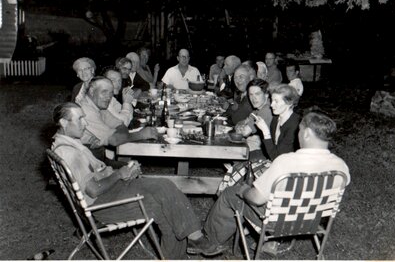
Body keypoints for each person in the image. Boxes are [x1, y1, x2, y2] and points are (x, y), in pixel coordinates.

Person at [51, 102, 221, 259]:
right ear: (64, 123)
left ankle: (192, 240)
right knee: (163, 204)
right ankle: (194, 239)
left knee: (164, 189)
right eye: (79, 119)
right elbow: (93, 190)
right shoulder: (69, 153)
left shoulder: (65, 143)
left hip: (109, 194)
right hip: (101, 206)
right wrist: (119, 175)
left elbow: (94, 175)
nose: (85, 124)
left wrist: (122, 171)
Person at [192, 110, 351, 256]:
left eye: (300, 131)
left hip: (277, 223)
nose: (298, 135)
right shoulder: (341, 166)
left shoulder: (286, 162)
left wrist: (243, 191)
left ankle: (210, 240)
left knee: (230, 193)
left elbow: (256, 199)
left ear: (308, 133)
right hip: (312, 222)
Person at [255, 84, 301, 160]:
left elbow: (277, 157)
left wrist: (265, 131)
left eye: (276, 101)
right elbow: (271, 148)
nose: (272, 105)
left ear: (289, 103)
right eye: (272, 100)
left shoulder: (295, 125)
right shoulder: (276, 118)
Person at [235, 79, 273, 157]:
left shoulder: (266, 110)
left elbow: (244, 132)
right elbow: (244, 121)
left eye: (257, 94)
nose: (253, 98)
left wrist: (241, 126)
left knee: (233, 152)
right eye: (251, 95)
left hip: (269, 153)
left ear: (266, 94)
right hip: (264, 146)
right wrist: (242, 124)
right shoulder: (259, 107)